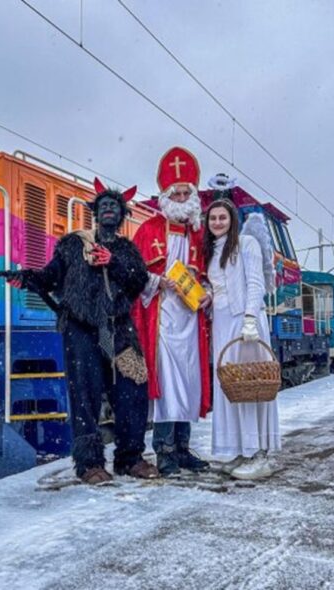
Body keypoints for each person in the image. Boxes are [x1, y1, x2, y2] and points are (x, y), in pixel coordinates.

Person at [12, 179, 159, 484]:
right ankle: (89, 464)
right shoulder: (71, 244)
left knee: (132, 388)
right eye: (103, 205)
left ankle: (129, 458)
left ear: (121, 215)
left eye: (113, 206)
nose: (108, 210)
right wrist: (27, 279)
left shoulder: (126, 249)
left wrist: (113, 261)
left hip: (119, 329)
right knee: (84, 394)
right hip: (80, 330)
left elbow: (139, 281)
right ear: (95, 212)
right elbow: (51, 277)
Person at [131, 147, 212, 476]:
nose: (180, 196)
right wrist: (158, 281)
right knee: (167, 383)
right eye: (175, 192)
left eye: (185, 192)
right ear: (165, 195)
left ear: (192, 195)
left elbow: (208, 273)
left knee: (189, 382)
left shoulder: (198, 234)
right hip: (161, 319)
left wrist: (205, 292)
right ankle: (163, 450)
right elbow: (133, 274)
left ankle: (182, 448)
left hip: (190, 319)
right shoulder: (147, 230)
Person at [203, 200, 281, 479]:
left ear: (232, 219)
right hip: (222, 322)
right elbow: (218, 286)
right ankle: (234, 449)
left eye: (223, 217)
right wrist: (207, 298)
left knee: (250, 385)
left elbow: (255, 282)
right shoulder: (211, 251)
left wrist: (250, 317)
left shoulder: (246, 243)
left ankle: (257, 453)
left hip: (244, 321)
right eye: (213, 218)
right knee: (229, 385)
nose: (218, 222)